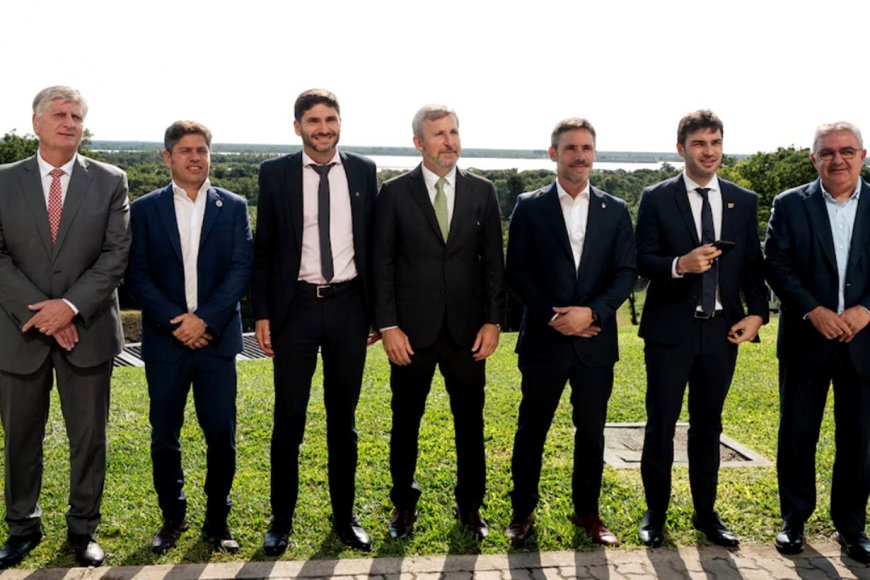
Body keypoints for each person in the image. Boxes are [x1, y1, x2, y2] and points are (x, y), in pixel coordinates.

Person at [0, 86, 130, 568]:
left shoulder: (111, 180)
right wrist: (43, 315)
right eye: (59, 114)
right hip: (18, 333)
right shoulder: (3, 180)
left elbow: (116, 254)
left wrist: (70, 308)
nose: (69, 122)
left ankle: (83, 528)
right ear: (36, 122)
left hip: (88, 331)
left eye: (77, 116)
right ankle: (21, 527)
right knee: (20, 438)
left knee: (89, 438)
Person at [251, 89, 378, 553]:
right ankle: (281, 520)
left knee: (343, 420)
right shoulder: (275, 173)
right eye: (313, 121)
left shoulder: (364, 171)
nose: (323, 128)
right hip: (296, 309)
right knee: (289, 418)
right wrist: (262, 311)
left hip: (349, 307)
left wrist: (377, 314)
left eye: (330, 120)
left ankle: (344, 518)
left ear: (340, 123)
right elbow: (264, 247)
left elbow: (374, 246)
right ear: (297, 127)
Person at [634, 109, 768, 548]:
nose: (709, 152)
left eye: (715, 143)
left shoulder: (742, 200)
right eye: (699, 144)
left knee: (708, 426)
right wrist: (679, 264)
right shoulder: (656, 197)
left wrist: (757, 314)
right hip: (670, 333)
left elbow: (753, 267)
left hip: (721, 333)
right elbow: (641, 259)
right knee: (661, 424)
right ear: (681, 149)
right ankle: (655, 513)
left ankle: (706, 513)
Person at [373, 104, 505, 541]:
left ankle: (470, 506)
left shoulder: (483, 191)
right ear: (419, 143)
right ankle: (403, 506)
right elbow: (382, 264)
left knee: (470, 422)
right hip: (410, 333)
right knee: (405, 421)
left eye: (453, 132)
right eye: (439, 134)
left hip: (468, 333)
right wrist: (388, 325)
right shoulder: (394, 193)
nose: (449, 141)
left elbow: (494, 264)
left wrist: (492, 321)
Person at [504, 118, 636, 547]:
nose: (580, 156)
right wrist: (553, 316)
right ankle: (522, 512)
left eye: (587, 148)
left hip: (596, 340)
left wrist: (591, 313)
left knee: (592, 432)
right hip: (545, 340)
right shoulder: (530, 206)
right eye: (571, 148)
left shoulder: (615, 209)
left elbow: (626, 272)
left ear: (594, 153)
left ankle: (587, 512)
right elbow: (517, 270)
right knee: (532, 429)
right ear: (553, 154)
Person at [125, 121, 253, 554]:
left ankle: (218, 519)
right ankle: (172, 516)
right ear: (168, 157)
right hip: (166, 343)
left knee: (221, 434)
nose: (195, 157)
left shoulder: (232, 206)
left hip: (217, 343)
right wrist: (177, 322)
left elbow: (241, 269)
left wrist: (206, 321)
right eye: (185, 150)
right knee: (165, 435)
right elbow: (136, 274)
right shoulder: (145, 209)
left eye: (202, 150)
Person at [764, 122, 870, 563]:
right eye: (827, 152)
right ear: (814, 159)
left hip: (864, 340)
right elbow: (777, 264)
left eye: (847, 151)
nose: (837, 159)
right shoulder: (789, 204)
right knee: (797, 434)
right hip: (807, 338)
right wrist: (814, 311)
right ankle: (793, 520)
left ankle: (852, 526)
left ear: (863, 155)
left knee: (859, 440)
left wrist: (867, 310)